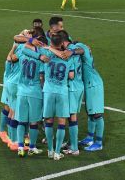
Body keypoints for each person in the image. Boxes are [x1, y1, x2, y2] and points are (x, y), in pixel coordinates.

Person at [14, 36, 50, 157]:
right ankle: (32, 147)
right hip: (35, 92)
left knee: (21, 121)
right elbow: (41, 77)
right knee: (33, 123)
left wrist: (29, 41)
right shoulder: (42, 57)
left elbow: (21, 46)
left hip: (21, 92)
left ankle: (20, 147)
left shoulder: (22, 51)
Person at [40, 33, 74, 161]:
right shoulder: (68, 56)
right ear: (61, 43)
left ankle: (50, 150)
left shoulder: (46, 53)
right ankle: (57, 152)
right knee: (61, 123)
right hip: (62, 92)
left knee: (48, 121)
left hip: (48, 91)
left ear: (51, 42)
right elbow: (71, 75)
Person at [69, 39, 104, 152]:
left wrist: (72, 51)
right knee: (90, 113)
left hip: (94, 85)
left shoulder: (82, 49)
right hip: (88, 85)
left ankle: (98, 143)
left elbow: (81, 49)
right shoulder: (82, 50)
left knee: (97, 114)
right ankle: (89, 138)